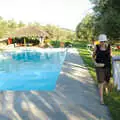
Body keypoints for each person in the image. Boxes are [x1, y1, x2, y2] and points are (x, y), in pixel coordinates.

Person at [92, 34, 112, 105]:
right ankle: (101, 99)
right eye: (101, 41)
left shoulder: (109, 47)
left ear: (105, 41)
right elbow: (93, 57)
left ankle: (105, 86)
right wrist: (96, 63)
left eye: (103, 41)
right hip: (99, 67)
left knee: (107, 81)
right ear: (99, 41)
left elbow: (110, 57)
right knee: (101, 82)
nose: (102, 43)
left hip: (107, 67)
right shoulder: (96, 47)